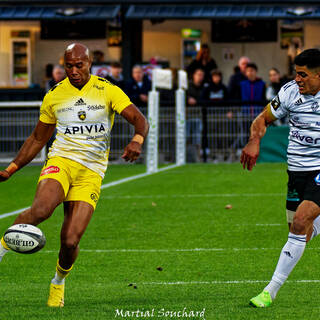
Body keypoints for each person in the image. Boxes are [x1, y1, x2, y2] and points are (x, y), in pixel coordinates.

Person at [0, 43, 149, 307]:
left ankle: (58, 282)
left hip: (91, 172)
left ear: (90, 63)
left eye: (79, 65)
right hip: (61, 161)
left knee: (70, 240)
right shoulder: (55, 95)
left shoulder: (107, 90)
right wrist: (11, 169)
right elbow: (37, 138)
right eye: (69, 65)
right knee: (41, 210)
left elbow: (139, 119)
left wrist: (137, 140)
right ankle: (1, 248)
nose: (74, 70)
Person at [240, 48, 320, 308]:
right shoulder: (288, 93)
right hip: (296, 171)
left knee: (300, 222)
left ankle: (269, 291)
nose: (297, 79)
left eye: (303, 75)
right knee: (300, 233)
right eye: (296, 74)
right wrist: (254, 141)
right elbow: (262, 119)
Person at [186, 68, 206, 161]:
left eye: (202, 75)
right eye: (198, 74)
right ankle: (185, 156)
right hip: (187, 116)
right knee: (186, 137)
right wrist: (187, 99)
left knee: (197, 138)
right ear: (193, 75)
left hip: (198, 116)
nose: (200, 77)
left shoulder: (205, 87)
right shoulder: (187, 86)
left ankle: (197, 157)